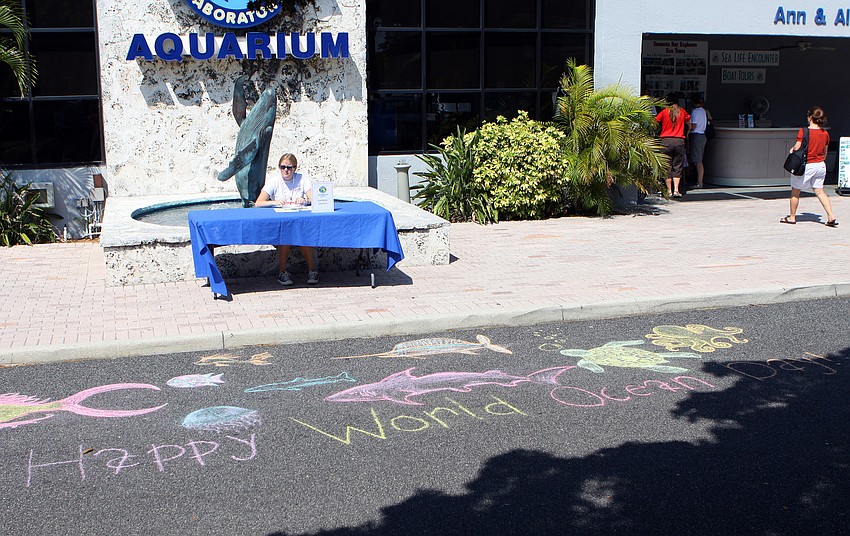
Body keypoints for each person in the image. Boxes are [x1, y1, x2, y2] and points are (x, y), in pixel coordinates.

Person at [255, 153, 320, 285]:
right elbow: (259, 202)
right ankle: (283, 272)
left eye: (289, 167)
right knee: (285, 237)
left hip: (300, 220)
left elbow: (314, 199)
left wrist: (305, 200)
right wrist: (274, 202)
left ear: (295, 168)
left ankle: (312, 271)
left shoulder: (302, 178)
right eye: (283, 167)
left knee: (303, 237)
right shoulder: (274, 181)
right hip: (282, 221)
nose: (286, 170)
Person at [780, 106, 838, 227]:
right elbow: (825, 152)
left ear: (810, 117)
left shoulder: (804, 131)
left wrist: (792, 150)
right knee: (820, 191)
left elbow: (797, 147)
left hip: (807, 165)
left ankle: (792, 217)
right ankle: (830, 216)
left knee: (795, 192)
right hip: (820, 165)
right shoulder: (825, 133)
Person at [655, 93, 691, 197]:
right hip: (679, 141)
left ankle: (669, 191)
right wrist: (687, 132)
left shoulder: (664, 112)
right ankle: (676, 190)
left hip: (666, 141)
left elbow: (655, 122)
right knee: (677, 166)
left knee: (667, 166)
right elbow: (689, 123)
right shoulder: (682, 111)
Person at [688, 94, 711, 189]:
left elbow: (694, 125)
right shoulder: (703, 111)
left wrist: (688, 129)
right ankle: (698, 181)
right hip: (702, 135)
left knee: (698, 160)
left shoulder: (695, 112)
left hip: (696, 135)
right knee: (698, 159)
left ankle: (699, 182)